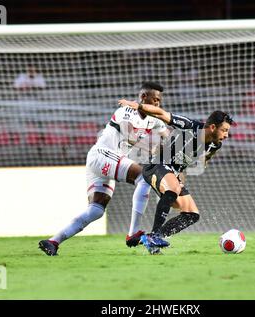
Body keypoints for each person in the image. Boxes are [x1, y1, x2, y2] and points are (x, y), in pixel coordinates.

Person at [38, 82, 168, 256]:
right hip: (102, 154)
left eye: (159, 101)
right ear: (143, 97)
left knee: (96, 210)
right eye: (155, 100)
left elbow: (166, 136)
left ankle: (53, 241)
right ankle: (133, 233)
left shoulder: (154, 120)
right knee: (143, 177)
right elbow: (132, 135)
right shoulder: (126, 111)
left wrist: (165, 148)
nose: (157, 104)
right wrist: (150, 148)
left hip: (103, 161)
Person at [118, 98, 234, 254]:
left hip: (171, 172)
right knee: (173, 188)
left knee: (192, 214)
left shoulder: (215, 144)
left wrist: (205, 160)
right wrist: (138, 106)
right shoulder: (189, 127)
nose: (227, 135)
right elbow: (161, 113)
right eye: (224, 130)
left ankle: (150, 240)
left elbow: (209, 154)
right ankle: (154, 235)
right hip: (156, 165)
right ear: (213, 127)